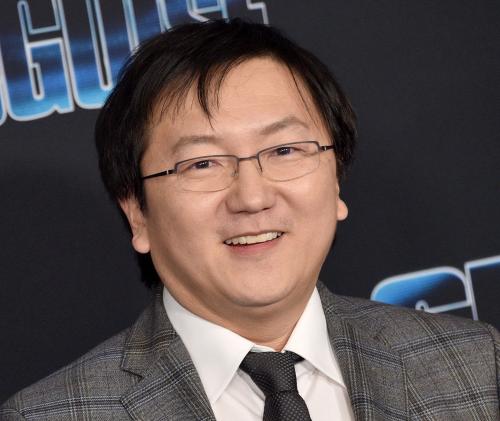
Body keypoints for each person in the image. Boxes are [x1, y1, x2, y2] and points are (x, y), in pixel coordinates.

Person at [1, 18, 499, 421]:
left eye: (284, 150)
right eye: (202, 163)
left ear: (337, 181)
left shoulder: (478, 366)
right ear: (137, 214)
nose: (252, 197)